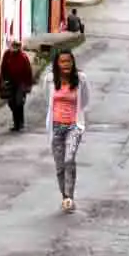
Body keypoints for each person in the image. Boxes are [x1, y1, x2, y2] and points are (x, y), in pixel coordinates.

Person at [45, 49, 90, 212]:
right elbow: (48, 100)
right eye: (62, 61)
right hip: (56, 126)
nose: (66, 64)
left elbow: (85, 100)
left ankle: (70, 197)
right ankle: (64, 196)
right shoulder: (50, 79)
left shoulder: (81, 79)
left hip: (73, 126)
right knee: (59, 166)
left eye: (69, 61)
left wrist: (78, 122)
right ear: (57, 64)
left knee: (69, 159)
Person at [0, 38, 33, 132]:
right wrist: (1, 80)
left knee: (19, 102)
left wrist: (28, 85)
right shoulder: (7, 55)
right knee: (11, 102)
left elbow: (28, 72)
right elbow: (3, 67)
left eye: (17, 46)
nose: (14, 48)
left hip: (21, 83)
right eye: (13, 45)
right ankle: (17, 121)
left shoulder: (23, 57)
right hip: (10, 82)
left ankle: (19, 123)